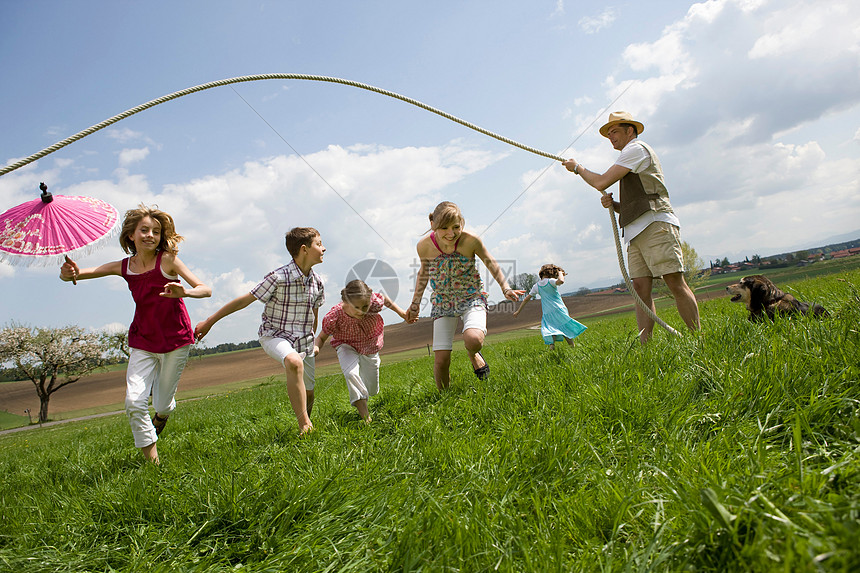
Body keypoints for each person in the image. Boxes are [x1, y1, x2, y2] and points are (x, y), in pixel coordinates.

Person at [60, 204, 211, 464]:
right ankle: (153, 462)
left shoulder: (168, 259)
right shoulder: (124, 266)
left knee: (162, 405)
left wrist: (184, 292)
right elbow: (80, 274)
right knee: (133, 401)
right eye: (144, 230)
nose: (150, 235)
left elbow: (205, 289)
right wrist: (68, 274)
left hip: (176, 340)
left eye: (156, 231)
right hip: (143, 340)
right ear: (131, 235)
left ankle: (163, 413)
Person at [562, 111, 700, 344]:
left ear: (630, 131)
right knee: (640, 289)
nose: (611, 137)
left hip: (656, 223)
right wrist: (615, 205)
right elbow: (634, 201)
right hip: (635, 230)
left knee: (674, 281)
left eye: (614, 131)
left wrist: (578, 168)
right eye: (608, 134)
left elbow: (601, 182)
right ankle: (645, 346)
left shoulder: (636, 149)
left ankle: (699, 339)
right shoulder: (628, 157)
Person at [194, 227, 325, 435]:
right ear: (304, 249)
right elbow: (244, 301)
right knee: (293, 362)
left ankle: (307, 422)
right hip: (274, 336)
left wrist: (312, 343)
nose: (323, 248)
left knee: (309, 391)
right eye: (319, 244)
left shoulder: (317, 282)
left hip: (304, 342)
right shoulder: (279, 277)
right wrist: (210, 321)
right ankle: (305, 426)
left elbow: (314, 317)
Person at [405, 201, 523, 390]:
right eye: (444, 228)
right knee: (441, 360)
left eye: (455, 227)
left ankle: (472, 353)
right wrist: (415, 304)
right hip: (443, 303)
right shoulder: (424, 246)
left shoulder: (471, 241)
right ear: (433, 225)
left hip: (471, 297)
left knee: (473, 339)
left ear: (462, 224)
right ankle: (445, 399)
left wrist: (505, 287)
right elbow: (423, 273)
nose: (450, 234)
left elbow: (490, 262)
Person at [314, 279, 407, 422]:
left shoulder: (373, 303)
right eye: (356, 307)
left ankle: (365, 392)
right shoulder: (334, 316)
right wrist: (316, 348)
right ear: (345, 302)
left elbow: (386, 300)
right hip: (346, 346)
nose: (362, 311)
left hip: (370, 345)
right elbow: (321, 337)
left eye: (365, 306)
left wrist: (403, 314)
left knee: (372, 389)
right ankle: (366, 417)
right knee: (351, 373)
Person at [513, 263, 587, 349]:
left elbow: (526, 299)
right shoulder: (551, 281)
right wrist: (560, 273)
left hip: (547, 312)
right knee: (565, 327)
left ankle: (552, 346)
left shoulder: (536, 286)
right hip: (559, 309)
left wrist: (518, 311)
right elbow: (561, 281)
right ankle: (572, 347)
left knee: (551, 329)